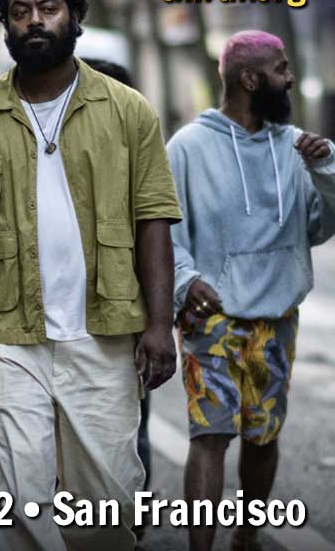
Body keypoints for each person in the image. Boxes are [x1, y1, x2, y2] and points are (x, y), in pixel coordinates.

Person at [0, 0, 182, 550]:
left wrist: (160, 326)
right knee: (19, 500)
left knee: (109, 506)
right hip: (7, 334)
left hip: (105, 333)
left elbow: (155, 223)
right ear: (5, 25)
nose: (34, 21)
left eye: (47, 8)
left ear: (74, 16)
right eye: (20, 12)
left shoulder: (128, 111)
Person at [168, 30, 335, 551]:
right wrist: (184, 280)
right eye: (281, 69)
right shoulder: (187, 147)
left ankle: (247, 537)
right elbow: (163, 232)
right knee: (210, 435)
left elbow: (319, 229)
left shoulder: (295, 146)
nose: (288, 78)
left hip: (276, 315)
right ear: (249, 78)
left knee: (263, 436)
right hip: (209, 314)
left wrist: (325, 170)